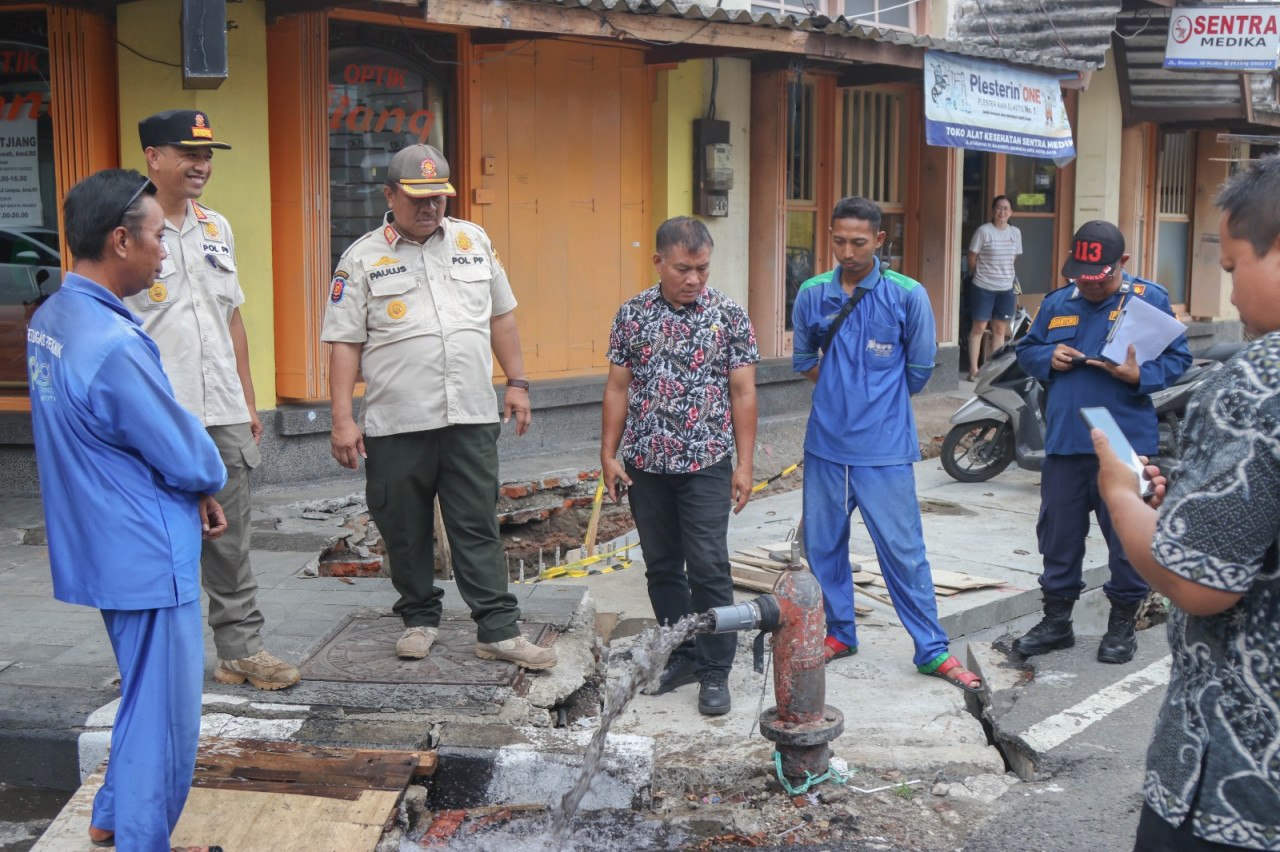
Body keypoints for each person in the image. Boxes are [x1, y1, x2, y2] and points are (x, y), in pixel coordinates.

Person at [29, 169, 227, 852]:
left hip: (101, 535)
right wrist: (206, 478)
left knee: (144, 693)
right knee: (165, 712)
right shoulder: (114, 345)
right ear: (120, 240)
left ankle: (114, 813)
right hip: (145, 544)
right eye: (154, 238)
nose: (164, 252)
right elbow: (186, 451)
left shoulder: (55, 316)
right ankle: (146, 840)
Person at [1095, 154, 1280, 851]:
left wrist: (1121, 496)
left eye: (1233, 268)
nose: (1229, 295)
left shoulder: (1261, 379)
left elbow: (1200, 583)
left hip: (1240, 780)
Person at [323, 144, 555, 670]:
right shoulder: (360, 257)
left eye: (438, 199)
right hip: (396, 422)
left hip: (471, 415)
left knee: (476, 522)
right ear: (389, 195)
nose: (429, 208)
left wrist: (516, 382)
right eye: (417, 199)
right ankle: (419, 619)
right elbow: (343, 342)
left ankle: (497, 629)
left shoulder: (474, 241)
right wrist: (341, 419)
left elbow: (503, 317)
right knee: (402, 527)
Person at [122, 109, 299, 691]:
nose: (201, 165)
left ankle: (241, 652)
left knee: (229, 540)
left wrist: (247, 401)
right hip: (155, 412)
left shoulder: (216, 226)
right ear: (153, 156)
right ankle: (150, 665)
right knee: (154, 537)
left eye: (207, 155)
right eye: (187, 153)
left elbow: (232, 320)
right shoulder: (123, 226)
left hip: (219, 410)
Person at [792, 196, 981, 693]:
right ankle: (839, 634)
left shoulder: (908, 295)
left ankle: (931, 649)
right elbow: (804, 359)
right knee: (823, 546)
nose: (847, 251)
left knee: (903, 551)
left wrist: (873, 402)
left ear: (879, 240)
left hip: (886, 451)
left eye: (858, 241)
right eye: (838, 240)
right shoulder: (812, 292)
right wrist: (841, 391)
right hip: (826, 447)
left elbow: (919, 373)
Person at [600, 216, 759, 716]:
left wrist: (744, 465)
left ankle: (716, 668)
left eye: (703, 270)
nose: (694, 279)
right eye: (684, 269)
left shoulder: (729, 316)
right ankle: (682, 653)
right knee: (662, 566)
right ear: (659, 263)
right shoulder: (632, 315)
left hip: (707, 463)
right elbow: (618, 387)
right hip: (646, 464)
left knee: (709, 565)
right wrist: (609, 453)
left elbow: (743, 392)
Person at [1013, 220, 1191, 664]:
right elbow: (1027, 349)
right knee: (1058, 535)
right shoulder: (1057, 303)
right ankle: (1057, 623)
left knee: (1126, 538)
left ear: (1122, 264)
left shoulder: (1149, 301)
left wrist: (1141, 375)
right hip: (1066, 437)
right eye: (1081, 278)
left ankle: (1121, 627)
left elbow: (1179, 357)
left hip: (1123, 441)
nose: (1089, 287)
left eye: (1100, 278)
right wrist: (1046, 358)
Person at [966, 195, 1022, 380]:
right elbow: (972, 256)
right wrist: (978, 274)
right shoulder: (984, 231)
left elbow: (1013, 257)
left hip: (1006, 287)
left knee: (999, 330)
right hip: (983, 286)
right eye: (999, 208)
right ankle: (974, 370)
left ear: (1011, 212)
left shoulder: (1015, 233)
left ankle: (993, 371)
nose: (1002, 212)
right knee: (979, 328)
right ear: (993, 211)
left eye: (1006, 208)